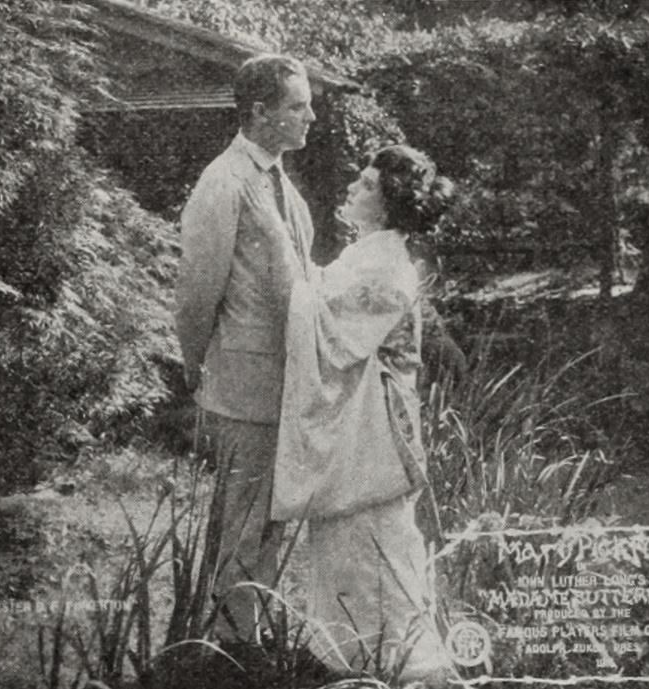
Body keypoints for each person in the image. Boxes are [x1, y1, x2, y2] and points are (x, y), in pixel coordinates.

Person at [246, 144, 457, 684]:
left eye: (365, 185)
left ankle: (406, 666)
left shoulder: (386, 264)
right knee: (352, 544)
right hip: (361, 423)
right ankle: (356, 661)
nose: (351, 189)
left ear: (388, 205)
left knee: (375, 542)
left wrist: (279, 247)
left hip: (376, 431)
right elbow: (322, 303)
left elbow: (327, 329)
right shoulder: (370, 253)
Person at [174, 53, 316, 642]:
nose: (310, 116)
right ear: (259, 112)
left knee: (269, 523)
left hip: (287, 382)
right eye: (297, 105)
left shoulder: (279, 180)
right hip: (243, 386)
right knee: (242, 522)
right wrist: (193, 363)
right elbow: (196, 293)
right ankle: (229, 651)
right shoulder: (224, 182)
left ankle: (249, 639)